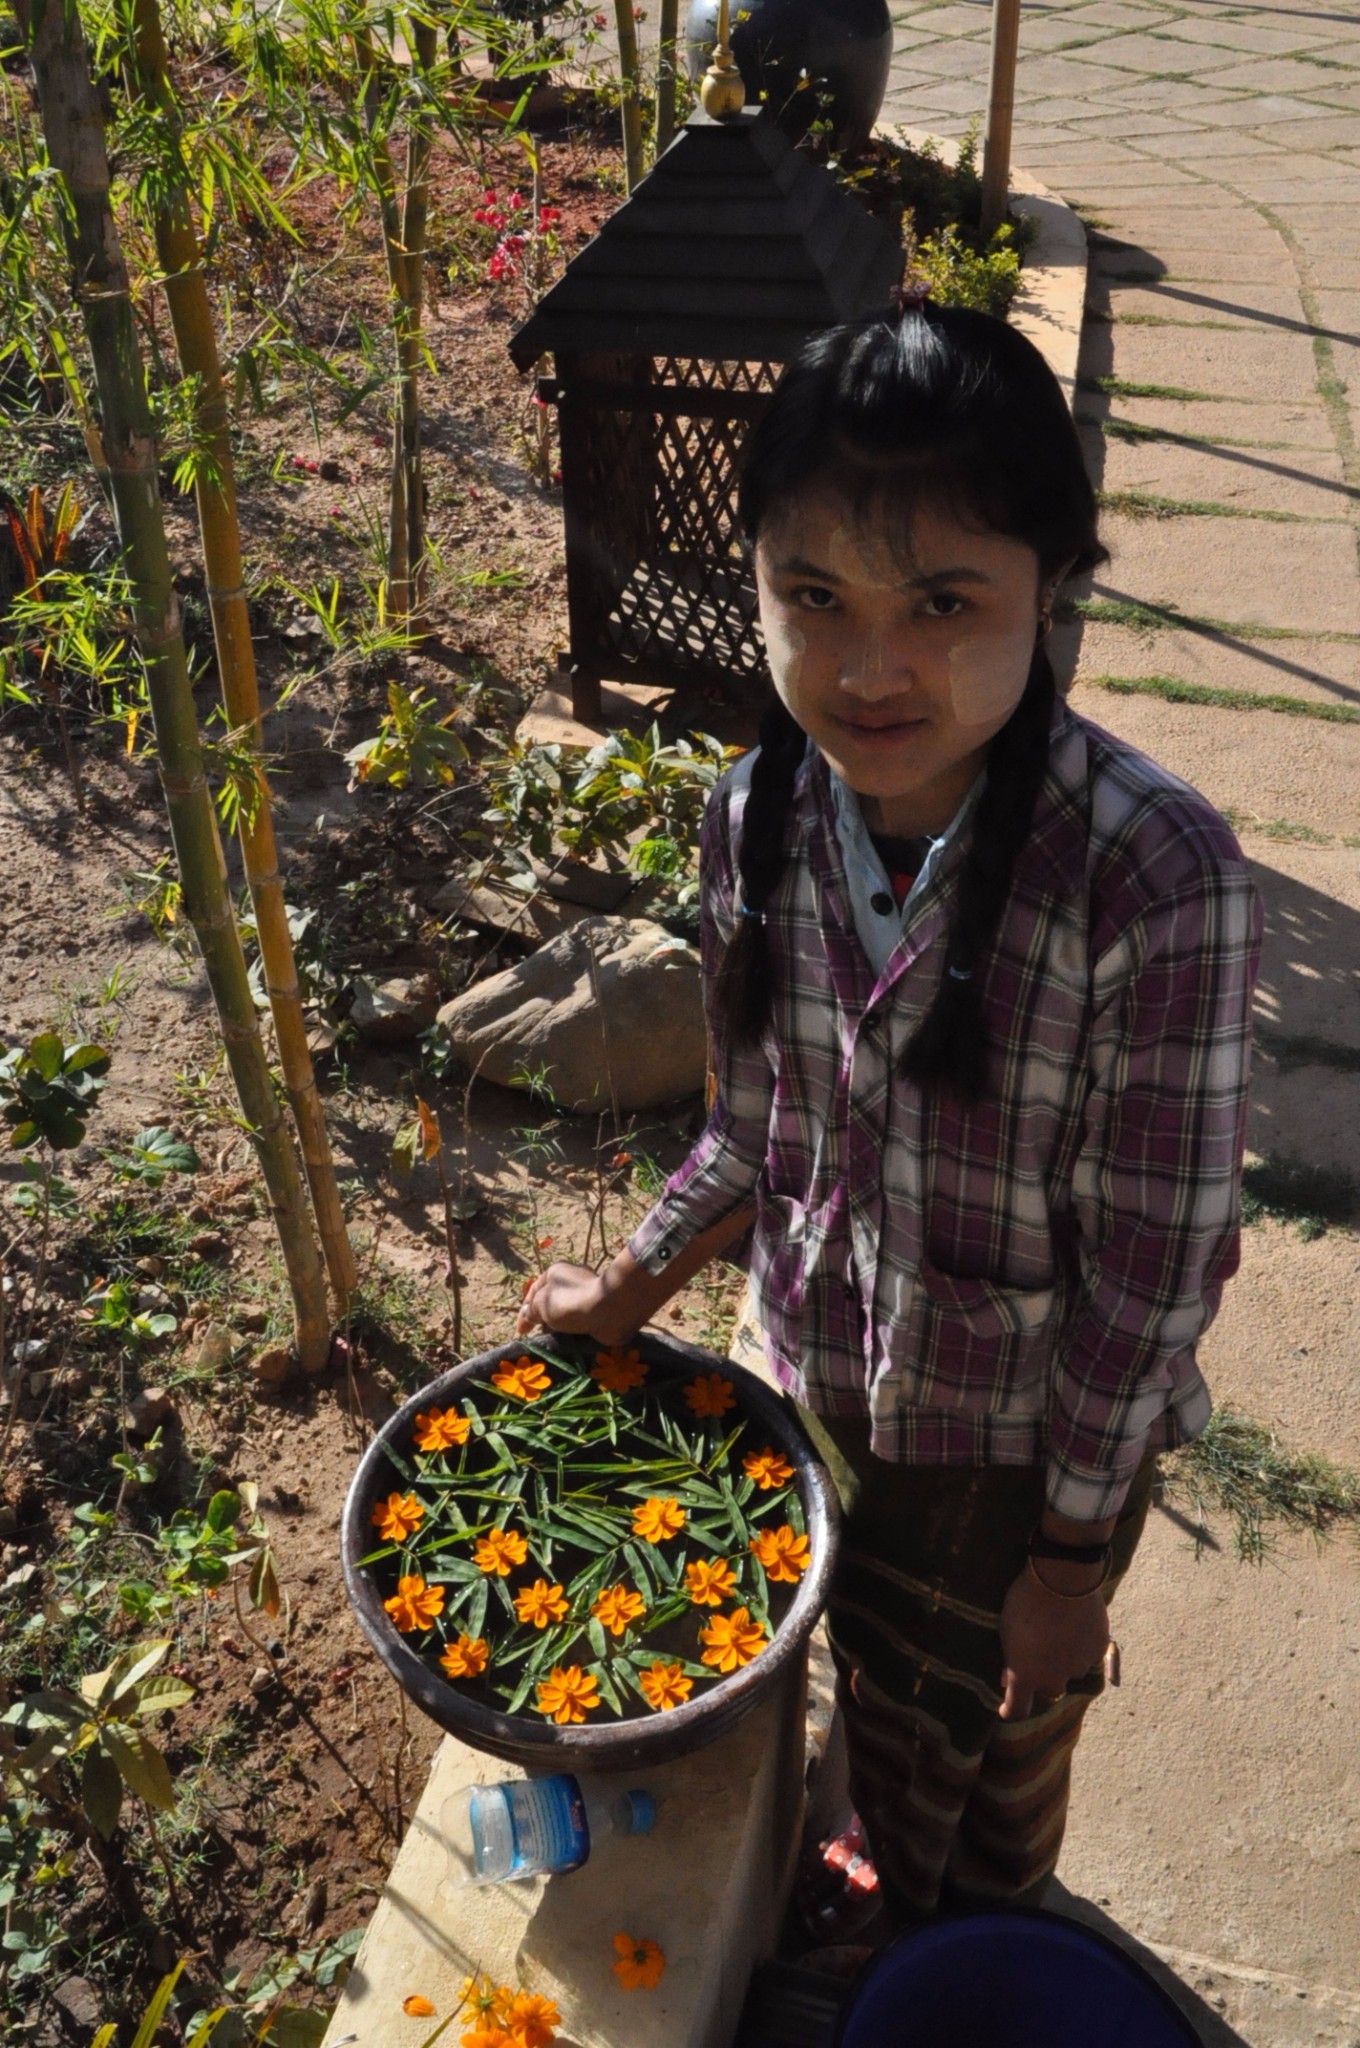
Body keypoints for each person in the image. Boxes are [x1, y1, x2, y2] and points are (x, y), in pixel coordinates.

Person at [516, 301, 1262, 1926]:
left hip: (1022, 1464)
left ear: (1052, 593)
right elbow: (755, 1129)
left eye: (943, 603)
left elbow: (1150, 1278)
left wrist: (1065, 1572)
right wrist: (627, 1290)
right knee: (868, 1661)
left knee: (1003, 1725)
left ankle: (974, 1922)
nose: (869, 667)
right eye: (815, 597)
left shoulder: (1152, 875)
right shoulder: (755, 817)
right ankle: (878, 1816)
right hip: (823, 1390)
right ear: (761, 588)